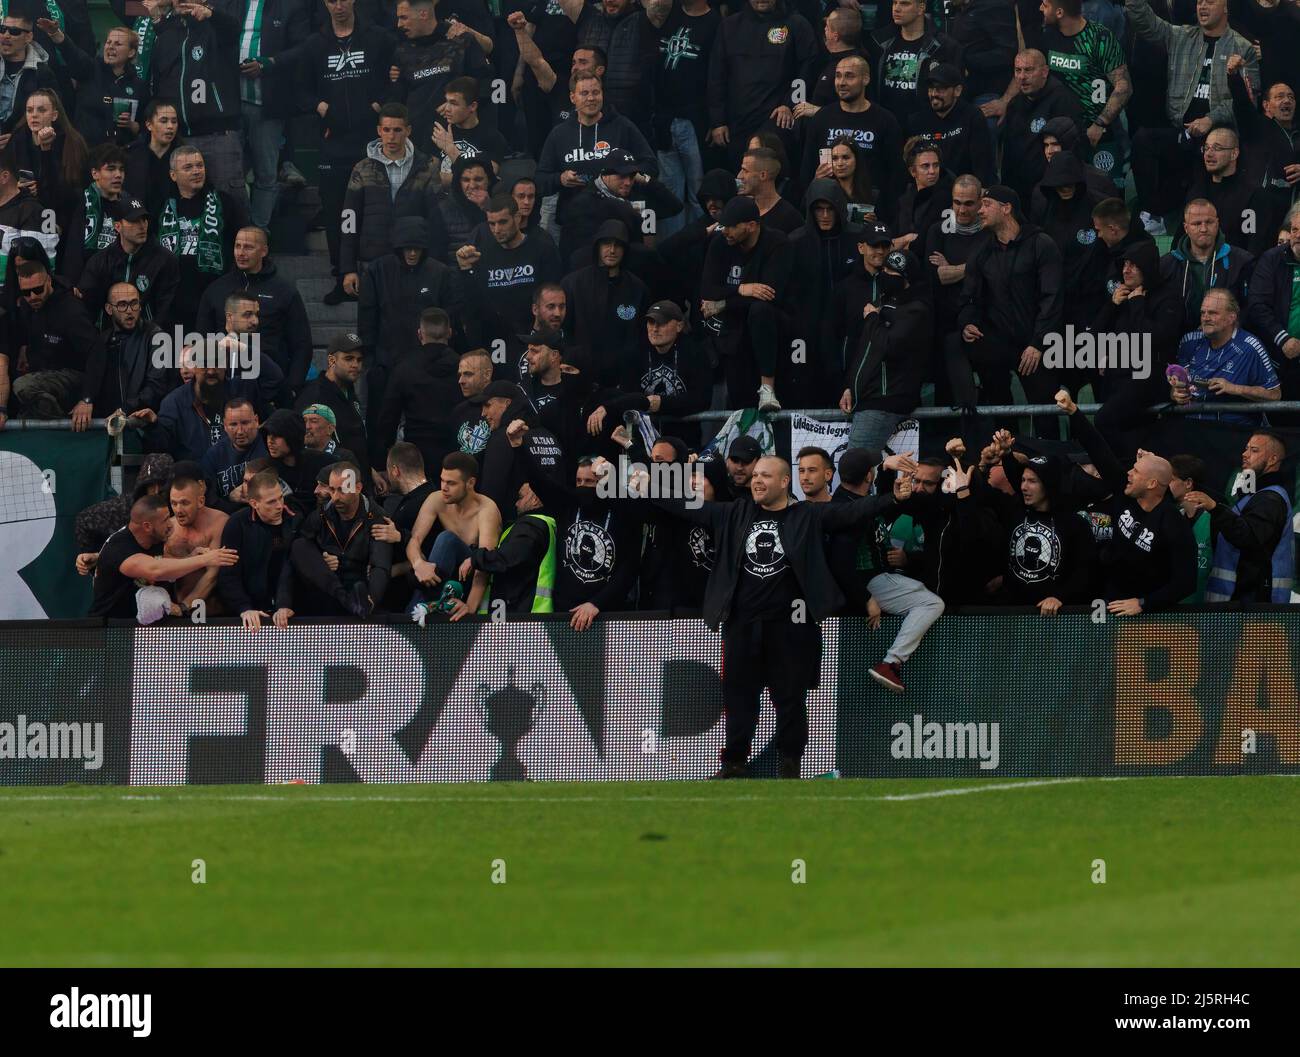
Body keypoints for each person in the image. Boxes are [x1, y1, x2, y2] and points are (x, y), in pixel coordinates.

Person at [649, 453, 913, 777]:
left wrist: (892, 498)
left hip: (791, 626)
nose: (757, 481)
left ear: (785, 482)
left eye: (765, 476)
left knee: (790, 701)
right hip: (741, 625)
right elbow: (685, 506)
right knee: (739, 699)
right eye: (756, 475)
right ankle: (734, 763)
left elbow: (850, 511)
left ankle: (790, 765)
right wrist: (644, 482)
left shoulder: (807, 515)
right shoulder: (734, 513)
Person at [1126, 0, 1260, 236]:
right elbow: (1146, 23)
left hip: (1218, 134)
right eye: (1199, 2)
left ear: (1226, 6)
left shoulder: (1243, 47)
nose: (1202, 6)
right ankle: (1153, 212)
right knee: (1143, 139)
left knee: (1200, 168)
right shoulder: (1181, 36)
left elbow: (1249, 100)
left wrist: (1211, 119)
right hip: (1182, 129)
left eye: (1209, 1)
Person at [290, 0, 392, 298]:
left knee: (375, 210)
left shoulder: (378, 37)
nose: (338, 5)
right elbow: (300, 90)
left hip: (372, 140)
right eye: (332, 0)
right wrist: (322, 108)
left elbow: (396, 78)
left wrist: (375, 106)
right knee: (337, 213)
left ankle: (378, 276)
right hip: (333, 142)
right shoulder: (314, 44)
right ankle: (342, 274)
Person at [1059, 398, 1199, 612]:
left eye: (1136, 471)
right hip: (1111, 601)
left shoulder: (1172, 522)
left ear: (1152, 483)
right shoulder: (1126, 492)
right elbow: (1100, 451)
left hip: (1152, 615)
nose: (1129, 474)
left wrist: (1144, 604)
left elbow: (1186, 582)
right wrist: (1074, 411)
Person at [947, 186, 1064, 414]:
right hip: (998, 341)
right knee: (954, 342)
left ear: (1007, 208)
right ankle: (971, 415)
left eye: (987, 204)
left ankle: (1051, 450)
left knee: (1045, 409)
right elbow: (970, 297)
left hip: (1034, 344)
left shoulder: (1041, 243)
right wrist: (967, 323)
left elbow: (1053, 298)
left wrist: (1038, 343)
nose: (980, 210)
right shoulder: (982, 250)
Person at [336, 102, 447, 304]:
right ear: (379, 130)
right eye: (386, 130)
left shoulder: (428, 166)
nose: (391, 136)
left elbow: (437, 219)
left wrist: (436, 264)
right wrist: (348, 268)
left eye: (397, 130)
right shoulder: (362, 168)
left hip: (414, 260)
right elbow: (349, 221)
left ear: (408, 131)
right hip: (372, 260)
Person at [700, 194, 792, 411]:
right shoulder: (721, 242)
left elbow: (770, 296)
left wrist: (723, 303)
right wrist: (742, 289)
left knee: (760, 309)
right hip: (734, 330)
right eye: (724, 226)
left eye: (732, 227)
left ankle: (768, 388)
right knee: (740, 403)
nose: (726, 232)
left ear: (751, 225)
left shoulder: (777, 243)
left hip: (773, 325)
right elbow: (707, 290)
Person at [147, 0, 246, 202]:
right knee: (183, 204)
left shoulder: (216, 26)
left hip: (218, 136)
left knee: (229, 203)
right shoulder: (166, 34)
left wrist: (211, 13)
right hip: (179, 137)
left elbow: (233, 29)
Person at [88, 493, 238, 618]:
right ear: (147, 526)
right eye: (165, 520)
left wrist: (190, 557)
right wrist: (205, 559)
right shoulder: (120, 548)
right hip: (108, 628)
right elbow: (155, 571)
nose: (171, 524)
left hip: (140, 627)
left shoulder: (155, 539)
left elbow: (164, 565)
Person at [1183, 432, 1293, 603]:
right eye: (1246, 448)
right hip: (1238, 605)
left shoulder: (1270, 499)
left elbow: (1248, 537)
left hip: (1253, 608)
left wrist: (1215, 508)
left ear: (1272, 460)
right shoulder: (1253, 496)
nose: (1245, 454)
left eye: (1254, 450)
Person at [706, 0, 817, 168]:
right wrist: (718, 121)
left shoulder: (797, 24)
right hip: (737, 123)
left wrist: (791, 104)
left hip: (777, 120)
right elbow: (716, 76)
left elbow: (807, 72)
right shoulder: (729, 26)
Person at [839, 248, 930, 451]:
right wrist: (850, 387)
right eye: (885, 270)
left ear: (906, 279)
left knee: (854, 467)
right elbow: (865, 352)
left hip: (885, 402)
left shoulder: (917, 310)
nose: (886, 276)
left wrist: (872, 319)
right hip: (866, 400)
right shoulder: (882, 305)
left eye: (893, 273)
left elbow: (889, 346)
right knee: (868, 470)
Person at [534, 68, 657, 216]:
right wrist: (560, 179)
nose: (591, 98)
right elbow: (540, 180)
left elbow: (651, 166)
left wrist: (626, 175)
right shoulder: (559, 134)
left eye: (596, 92)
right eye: (584, 93)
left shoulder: (623, 126)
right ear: (573, 98)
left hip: (617, 217)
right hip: (575, 218)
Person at [157, 144, 252, 329]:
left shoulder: (224, 202)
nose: (196, 171)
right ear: (173, 175)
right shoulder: (160, 206)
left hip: (216, 298)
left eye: (199, 166)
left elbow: (245, 241)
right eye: (188, 167)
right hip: (173, 302)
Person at [646, 0, 719, 238]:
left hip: (695, 120)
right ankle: (672, 256)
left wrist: (715, 118)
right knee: (670, 195)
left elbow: (718, 75)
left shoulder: (716, 22)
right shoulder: (669, 13)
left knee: (699, 194)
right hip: (665, 119)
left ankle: (700, 251)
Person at [456, 191, 562, 354]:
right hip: (495, 339)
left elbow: (553, 297)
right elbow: (473, 305)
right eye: (491, 224)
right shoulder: (480, 254)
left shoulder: (542, 249)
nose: (497, 230)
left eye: (503, 222)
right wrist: (465, 270)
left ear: (517, 218)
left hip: (535, 337)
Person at [1037, 0, 1131, 183]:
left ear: (1059, 12)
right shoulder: (1047, 37)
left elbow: (1124, 87)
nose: (1040, 8)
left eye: (1045, 4)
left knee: (1105, 197)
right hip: (1060, 136)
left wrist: (1099, 123)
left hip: (1099, 135)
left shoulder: (1100, 38)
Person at [799, 53, 903, 212]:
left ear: (866, 79)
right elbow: (807, 169)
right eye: (838, 76)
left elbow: (896, 175)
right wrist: (815, 181)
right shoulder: (821, 119)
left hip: (872, 209)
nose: (841, 83)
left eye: (849, 76)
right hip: (828, 209)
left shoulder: (885, 121)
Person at [405, 451, 502, 620]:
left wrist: (470, 607)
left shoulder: (487, 510)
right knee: (432, 550)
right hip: (446, 579)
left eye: (451, 483)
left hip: (473, 578)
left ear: (470, 483)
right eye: (442, 480)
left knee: (447, 539)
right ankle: (418, 612)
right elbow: (414, 540)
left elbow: (485, 563)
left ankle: (413, 615)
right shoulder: (436, 499)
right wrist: (418, 563)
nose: (444, 487)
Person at [388, 0, 493, 151]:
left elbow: (487, 84)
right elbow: (397, 100)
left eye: (404, 17)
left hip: (459, 142)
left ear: (423, 14)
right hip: (417, 145)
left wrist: (459, 103)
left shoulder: (461, 41)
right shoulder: (401, 51)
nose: (399, 24)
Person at [290, 460, 392, 616]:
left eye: (342, 490)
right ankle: (347, 600)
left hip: (360, 589)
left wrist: (372, 599)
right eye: (332, 490)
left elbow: (381, 566)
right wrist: (320, 559)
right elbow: (301, 551)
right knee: (299, 545)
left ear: (358, 488)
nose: (335, 497)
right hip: (328, 588)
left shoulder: (376, 516)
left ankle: (359, 604)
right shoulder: (322, 513)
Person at [10, 258, 101, 422]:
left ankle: (58, 427)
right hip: (44, 374)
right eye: (26, 292)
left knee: (23, 386)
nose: (32, 297)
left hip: (75, 376)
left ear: (49, 282)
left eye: (38, 290)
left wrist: (87, 399)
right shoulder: (26, 306)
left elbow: (97, 352)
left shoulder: (70, 310)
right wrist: (24, 348)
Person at [1169, 289, 1279, 424]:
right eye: (1203, 313)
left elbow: (1274, 394)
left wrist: (1235, 388)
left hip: (1233, 429)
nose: (1205, 318)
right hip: (1191, 426)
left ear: (1231, 317)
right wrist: (1176, 394)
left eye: (1213, 313)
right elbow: (1176, 387)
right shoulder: (1189, 341)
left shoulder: (1250, 347)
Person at [376, 306, 464, 472]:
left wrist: (384, 455)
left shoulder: (404, 368)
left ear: (419, 334)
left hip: (416, 455)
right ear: (450, 333)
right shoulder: (463, 367)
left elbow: (388, 417)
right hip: (456, 451)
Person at [561, 218, 648, 388]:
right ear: (597, 247)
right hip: (579, 374)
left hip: (621, 379)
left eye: (618, 245)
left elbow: (640, 335)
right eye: (607, 244)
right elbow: (563, 329)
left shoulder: (638, 288)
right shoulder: (572, 284)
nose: (612, 250)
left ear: (625, 250)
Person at [76, 195, 178, 327]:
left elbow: (166, 311)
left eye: (144, 220)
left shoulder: (165, 260)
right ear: (118, 226)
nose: (142, 226)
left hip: (148, 339)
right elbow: (87, 306)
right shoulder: (100, 261)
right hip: (107, 340)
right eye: (134, 221)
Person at [294, 332, 378, 492]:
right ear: (332, 360)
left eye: (359, 360)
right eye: (349, 359)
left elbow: (354, 440)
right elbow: (307, 445)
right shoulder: (315, 395)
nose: (356, 365)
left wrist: (370, 471)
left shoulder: (348, 390)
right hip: (334, 488)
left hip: (357, 482)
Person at [1001, 49, 1086, 204]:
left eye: (1028, 70)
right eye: (1017, 70)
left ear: (1045, 71)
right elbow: (1009, 152)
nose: (1022, 77)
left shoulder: (1063, 101)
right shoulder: (1014, 104)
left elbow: (1072, 151)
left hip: (1051, 192)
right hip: (1018, 192)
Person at [218, 468, 298, 629]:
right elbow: (228, 575)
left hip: (291, 608)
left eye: (280, 498)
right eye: (271, 502)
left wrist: (285, 604)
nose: (279, 506)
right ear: (254, 503)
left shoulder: (294, 519)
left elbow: (293, 567)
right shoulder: (237, 524)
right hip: (251, 608)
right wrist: (244, 608)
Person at [79, 281, 170, 421]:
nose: (129, 310)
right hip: (107, 423)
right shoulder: (102, 340)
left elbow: (156, 388)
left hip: (140, 424)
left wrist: (123, 411)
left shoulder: (158, 337)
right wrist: (86, 400)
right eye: (122, 305)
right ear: (109, 309)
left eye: (134, 303)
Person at [1160, 198, 1253, 333]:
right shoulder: (1166, 265)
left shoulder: (1242, 261)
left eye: (1209, 222)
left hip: (1227, 339)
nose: (1203, 229)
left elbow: (1249, 307)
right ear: (1186, 228)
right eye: (1196, 224)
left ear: (1217, 223)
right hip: (1178, 341)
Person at [1184, 125, 1278, 253]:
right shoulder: (1196, 192)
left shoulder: (1253, 195)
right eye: (1206, 148)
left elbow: (1256, 245)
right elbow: (1182, 238)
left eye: (1217, 148)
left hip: (1238, 268)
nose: (1209, 154)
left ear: (1234, 153)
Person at [864, 0, 961, 123]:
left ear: (921, 8)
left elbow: (956, 93)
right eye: (894, 3)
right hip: (887, 123)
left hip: (927, 124)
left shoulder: (944, 47)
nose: (896, 9)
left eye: (904, 3)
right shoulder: (879, 42)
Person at [905, 63, 995, 187]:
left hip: (962, 193)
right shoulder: (916, 120)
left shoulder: (972, 117)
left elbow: (983, 166)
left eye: (940, 89)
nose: (933, 94)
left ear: (957, 91)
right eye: (930, 89)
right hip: (927, 192)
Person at [162, 471, 230, 611]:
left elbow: (213, 574)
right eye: (174, 503)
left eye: (185, 503)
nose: (178, 510)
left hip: (213, 612)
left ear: (200, 501)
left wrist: (185, 606)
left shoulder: (219, 523)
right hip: (175, 609)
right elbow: (162, 569)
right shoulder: (168, 527)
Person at [432, 76, 508, 189]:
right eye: (447, 101)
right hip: (442, 202)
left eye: (454, 103)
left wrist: (450, 149)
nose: (447, 108)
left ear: (472, 106)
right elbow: (430, 178)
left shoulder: (493, 138)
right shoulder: (439, 131)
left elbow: (484, 180)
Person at [0, 9, 58, 135]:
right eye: (2, 29)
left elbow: (50, 120)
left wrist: (15, 140)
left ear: (28, 37)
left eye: (14, 31)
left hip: (22, 147)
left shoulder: (42, 74)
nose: (6, 35)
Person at [200, 395, 268, 501]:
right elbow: (207, 499)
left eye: (245, 423)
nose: (240, 431)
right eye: (233, 424)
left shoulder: (269, 445)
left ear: (256, 420)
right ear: (225, 426)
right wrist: (230, 498)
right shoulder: (213, 455)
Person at [124, 99, 180, 216]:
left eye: (174, 121)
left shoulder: (184, 155)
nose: (170, 126)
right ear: (149, 125)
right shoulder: (131, 155)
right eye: (163, 121)